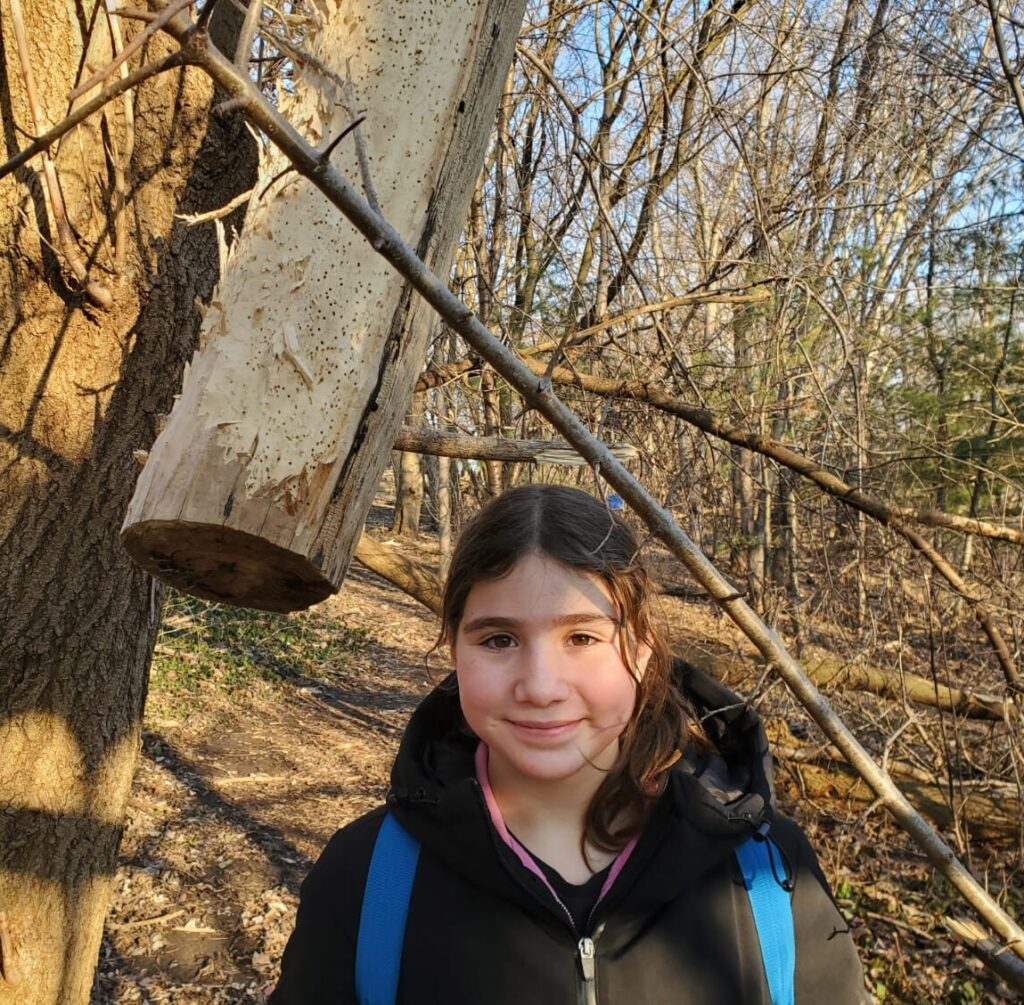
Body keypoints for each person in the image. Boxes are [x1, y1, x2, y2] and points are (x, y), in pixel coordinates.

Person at [270, 484, 868, 1004]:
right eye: (499, 640)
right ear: (454, 649)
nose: (540, 687)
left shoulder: (768, 873)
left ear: (640, 651)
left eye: (581, 637)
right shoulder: (369, 878)